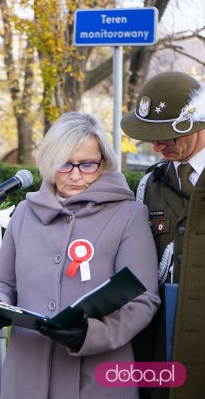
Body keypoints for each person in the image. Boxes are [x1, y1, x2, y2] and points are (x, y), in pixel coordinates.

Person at [0, 112, 160, 398]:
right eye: (65, 164)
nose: (75, 175)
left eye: (87, 164)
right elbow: (1, 282)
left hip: (97, 379)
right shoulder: (25, 212)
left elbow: (143, 299)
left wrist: (93, 334)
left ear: (104, 162)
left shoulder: (128, 214)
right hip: (27, 375)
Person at [120, 71, 205, 399]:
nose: (157, 146)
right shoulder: (150, 185)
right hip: (160, 332)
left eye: (167, 137)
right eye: (151, 137)